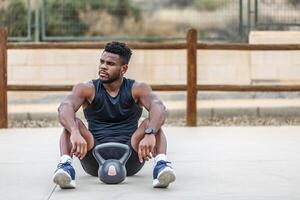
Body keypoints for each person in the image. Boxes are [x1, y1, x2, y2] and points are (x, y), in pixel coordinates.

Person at [52, 41, 176, 189]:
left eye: (110, 63)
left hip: (131, 156)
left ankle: (161, 166)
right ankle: (65, 167)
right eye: (102, 62)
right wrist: (74, 131)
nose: (103, 66)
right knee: (73, 123)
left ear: (123, 69)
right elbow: (64, 107)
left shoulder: (137, 88)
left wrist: (150, 133)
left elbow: (159, 107)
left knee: (151, 123)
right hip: (94, 158)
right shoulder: (87, 89)